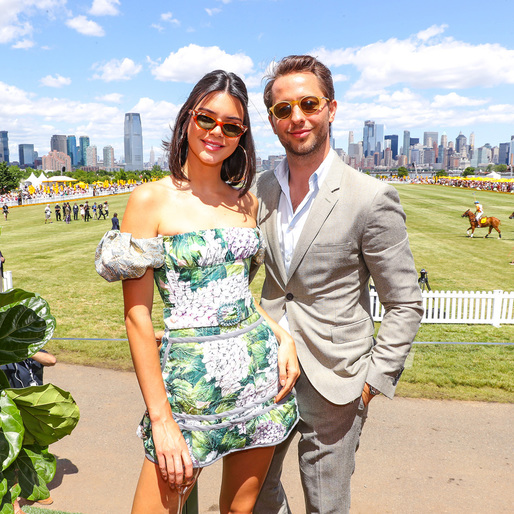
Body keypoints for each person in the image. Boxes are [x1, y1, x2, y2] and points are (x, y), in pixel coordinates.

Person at [95, 69, 299, 514]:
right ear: (187, 119)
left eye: (231, 126)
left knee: (238, 512)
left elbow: (236, 299)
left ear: (241, 136)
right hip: (187, 396)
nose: (216, 133)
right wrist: (161, 419)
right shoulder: (150, 200)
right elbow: (137, 318)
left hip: (258, 386)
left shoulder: (245, 202)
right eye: (207, 119)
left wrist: (284, 338)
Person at [252, 55, 424, 514]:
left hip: (339, 381)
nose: (297, 118)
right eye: (283, 109)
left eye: (308, 104)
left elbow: (404, 301)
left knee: (326, 506)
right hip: (267, 369)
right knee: (252, 493)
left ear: (331, 108)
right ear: (271, 120)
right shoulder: (260, 190)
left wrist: (373, 380)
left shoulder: (370, 197)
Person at [1, 350, 57, 513]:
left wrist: (25, 349)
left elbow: (51, 360)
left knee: (36, 454)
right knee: (9, 456)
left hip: (34, 411)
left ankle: (37, 492)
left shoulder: (30, 350)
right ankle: (14, 506)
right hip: (9, 410)